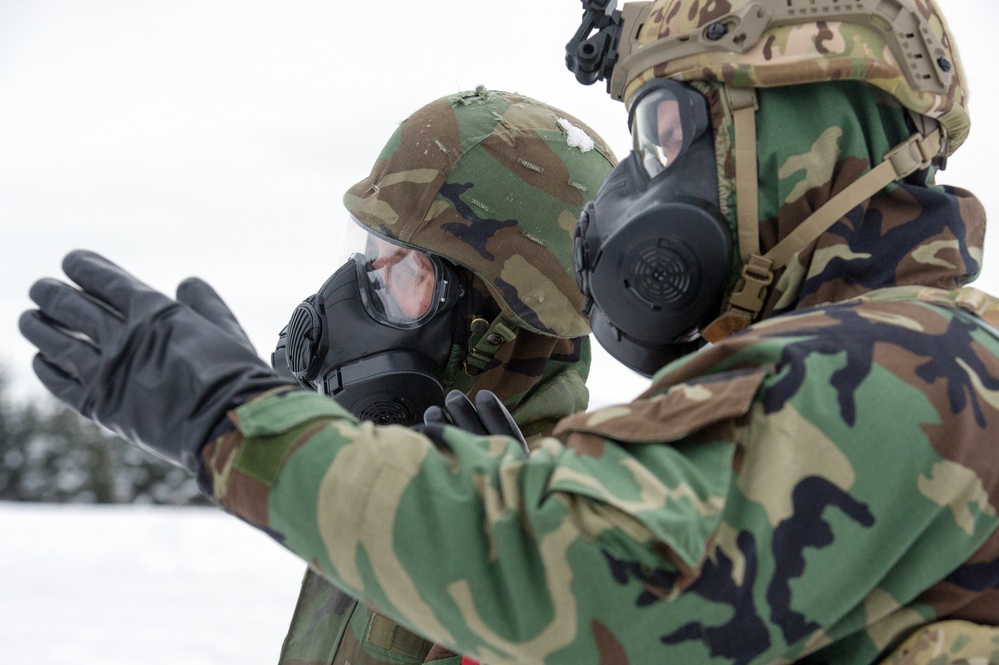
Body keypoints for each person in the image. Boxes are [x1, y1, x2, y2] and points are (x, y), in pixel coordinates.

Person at [16, 2, 999, 663]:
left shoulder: (897, 367)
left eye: (666, 131)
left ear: (793, 127)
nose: (647, 182)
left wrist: (227, 416)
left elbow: (586, 573)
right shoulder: (865, 355)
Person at [266, 87, 616, 665]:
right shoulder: (400, 474)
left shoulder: (583, 535)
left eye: (404, 270)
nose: (351, 300)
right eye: (367, 256)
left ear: (502, 324)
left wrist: (511, 579)